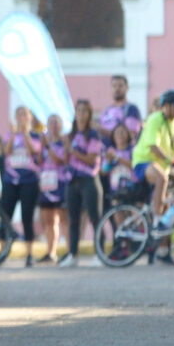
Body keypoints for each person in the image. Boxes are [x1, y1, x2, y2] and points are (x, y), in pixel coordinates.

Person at [132, 89, 174, 264]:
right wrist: (171, 161)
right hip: (144, 161)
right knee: (162, 179)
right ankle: (155, 221)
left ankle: (163, 251)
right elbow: (153, 146)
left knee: (168, 209)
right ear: (167, 106)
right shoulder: (155, 119)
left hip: (164, 167)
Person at [60, 99, 103, 267]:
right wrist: (66, 148)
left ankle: (99, 254)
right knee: (73, 219)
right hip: (72, 180)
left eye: (85, 110)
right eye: (78, 110)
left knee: (94, 217)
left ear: (89, 114)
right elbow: (66, 160)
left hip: (89, 179)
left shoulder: (93, 135)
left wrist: (71, 149)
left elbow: (90, 159)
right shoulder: (71, 135)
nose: (81, 114)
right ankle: (73, 254)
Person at [2, 106, 43, 267]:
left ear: (30, 117)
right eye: (19, 114)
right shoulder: (9, 135)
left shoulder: (35, 135)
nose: (22, 117)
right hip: (10, 180)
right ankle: (3, 251)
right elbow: (6, 151)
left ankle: (29, 253)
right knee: (5, 215)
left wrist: (25, 133)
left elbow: (34, 151)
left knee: (27, 217)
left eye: (25, 114)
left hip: (29, 180)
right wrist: (14, 134)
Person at [37, 113, 69, 264]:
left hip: (60, 183)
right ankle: (51, 251)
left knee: (63, 218)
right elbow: (39, 161)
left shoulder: (64, 142)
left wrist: (48, 146)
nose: (53, 126)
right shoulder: (45, 142)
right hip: (46, 183)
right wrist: (42, 147)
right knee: (48, 219)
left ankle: (69, 250)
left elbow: (60, 160)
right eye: (51, 122)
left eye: (56, 122)